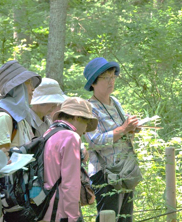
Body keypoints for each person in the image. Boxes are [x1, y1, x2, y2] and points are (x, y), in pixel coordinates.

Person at [83, 57, 140, 222]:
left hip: (124, 169)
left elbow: (122, 130)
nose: (111, 81)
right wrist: (124, 129)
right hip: (105, 172)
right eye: (106, 78)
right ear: (93, 82)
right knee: (108, 217)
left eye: (113, 77)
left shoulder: (115, 102)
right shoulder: (89, 107)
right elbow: (95, 141)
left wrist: (132, 128)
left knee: (125, 218)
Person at [40, 97, 97, 222]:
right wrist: (74, 216)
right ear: (76, 117)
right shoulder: (71, 137)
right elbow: (70, 183)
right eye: (86, 123)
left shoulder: (49, 133)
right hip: (61, 211)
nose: (85, 130)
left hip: (44, 208)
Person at [0, 60, 42, 151]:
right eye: (28, 82)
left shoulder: (20, 116)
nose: (33, 89)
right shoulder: (4, 118)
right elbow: (3, 159)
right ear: (17, 87)